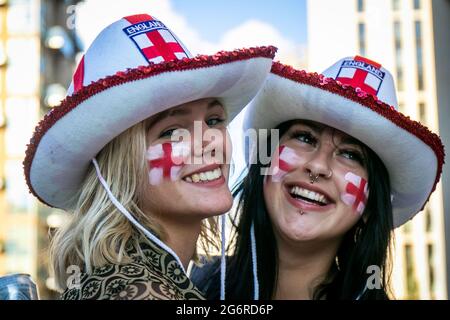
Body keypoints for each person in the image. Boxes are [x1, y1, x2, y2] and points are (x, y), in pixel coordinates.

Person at [23, 13, 276, 300]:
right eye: (171, 132)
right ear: (119, 170)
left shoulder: (123, 279)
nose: (210, 139)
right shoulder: (145, 292)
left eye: (215, 120)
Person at [192, 56, 445, 300]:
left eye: (351, 155)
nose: (317, 165)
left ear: (371, 205)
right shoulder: (193, 285)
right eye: (304, 137)